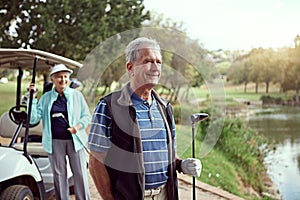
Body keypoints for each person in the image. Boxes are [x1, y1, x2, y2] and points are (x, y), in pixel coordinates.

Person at [88, 37, 202, 200]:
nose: (155, 67)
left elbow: (169, 153)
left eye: (158, 62)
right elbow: (96, 160)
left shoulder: (165, 107)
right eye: (148, 61)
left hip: (165, 195)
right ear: (130, 67)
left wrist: (182, 164)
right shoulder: (109, 106)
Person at [28, 64, 91, 200]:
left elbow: (86, 116)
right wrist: (32, 98)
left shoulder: (76, 96)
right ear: (52, 80)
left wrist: (77, 127)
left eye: (65, 76)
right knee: (59, 174)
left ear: (68, 78)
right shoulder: (46, 98)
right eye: (58, 77)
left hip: (75, 141)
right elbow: (33, 118)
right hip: (55, 142)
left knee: (80, 174)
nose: (62, 80)